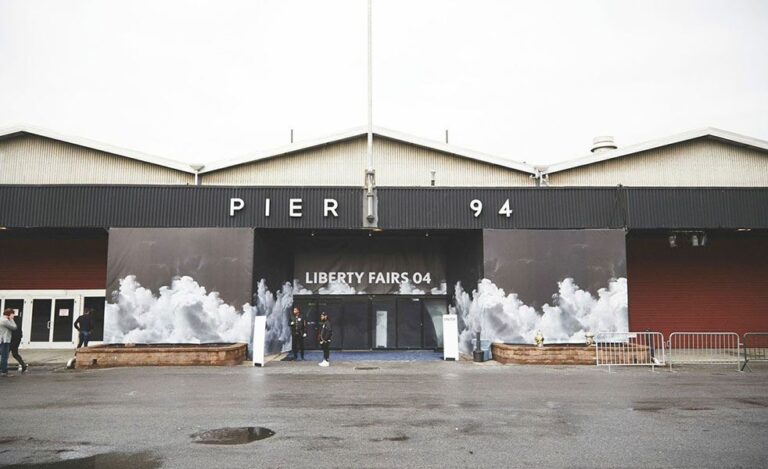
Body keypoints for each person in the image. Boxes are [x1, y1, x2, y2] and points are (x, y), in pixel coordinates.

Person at [1, 308, 18, 377]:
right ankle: (4, 371)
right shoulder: (5, 321)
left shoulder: (2, 319)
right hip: (4, 340)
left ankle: (3, 370)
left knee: (4, 356)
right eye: (12, 314)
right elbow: (14, 327)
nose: (13, 316)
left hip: (3, 340)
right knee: (4, 356)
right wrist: (11, 320)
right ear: (9, 314)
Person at [10, 308, 27, 373]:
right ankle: (23, 364)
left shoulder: (11, 323)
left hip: (12, 340)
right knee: (15, 354)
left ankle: (3, 367)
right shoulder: (17, 322)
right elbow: (20, 334)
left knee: (4, 353)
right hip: (17, 340)